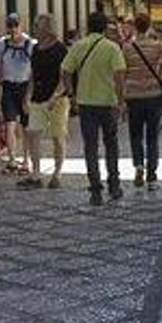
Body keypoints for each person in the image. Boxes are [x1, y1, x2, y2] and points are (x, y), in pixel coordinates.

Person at [61, 12, 127, 206]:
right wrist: (121, 100)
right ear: (104, 27)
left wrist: (71, 94)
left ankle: (96, 189)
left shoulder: (78, 46)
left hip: (86, 104)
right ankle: (114, 185)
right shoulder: (112, 48)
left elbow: (65, 71)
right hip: (108, 103)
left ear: (87, 26)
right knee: (111, 144)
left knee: (90, 146)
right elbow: (120, 76)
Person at [123, 13, 162, 191]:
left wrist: (123, 91)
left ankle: (138, 165)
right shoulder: (157, 46)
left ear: (135, 27)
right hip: (153, 96)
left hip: (133, 97)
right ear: (149, 26)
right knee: (152, 137)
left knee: (135, 134)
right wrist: (161, 80)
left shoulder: (127, 48)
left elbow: (122, 71)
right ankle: (152, 177)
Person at [18, 14, 69, 190]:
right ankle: (36, 174)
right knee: (33, 135)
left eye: (37, 25)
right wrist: (27, 96)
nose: (35, 29)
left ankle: (57, 174)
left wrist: (55, 97)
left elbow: (65, 78)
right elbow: (33, 75)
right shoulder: (36, 49)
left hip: (57, 100)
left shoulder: (61, 49)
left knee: (58, 137)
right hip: (38, 99)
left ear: (47, 28)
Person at [0, 13, 36, 175]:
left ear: (21, 26)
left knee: (25, 126)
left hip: (24, 87)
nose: (13, 29)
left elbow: (34, 72)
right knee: (9, 125)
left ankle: (26, 160)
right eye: (10, 26)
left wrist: (29, 95)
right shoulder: (2, 44)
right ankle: (12, 160)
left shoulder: (30, 44)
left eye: (15, 25)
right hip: (9, 87)